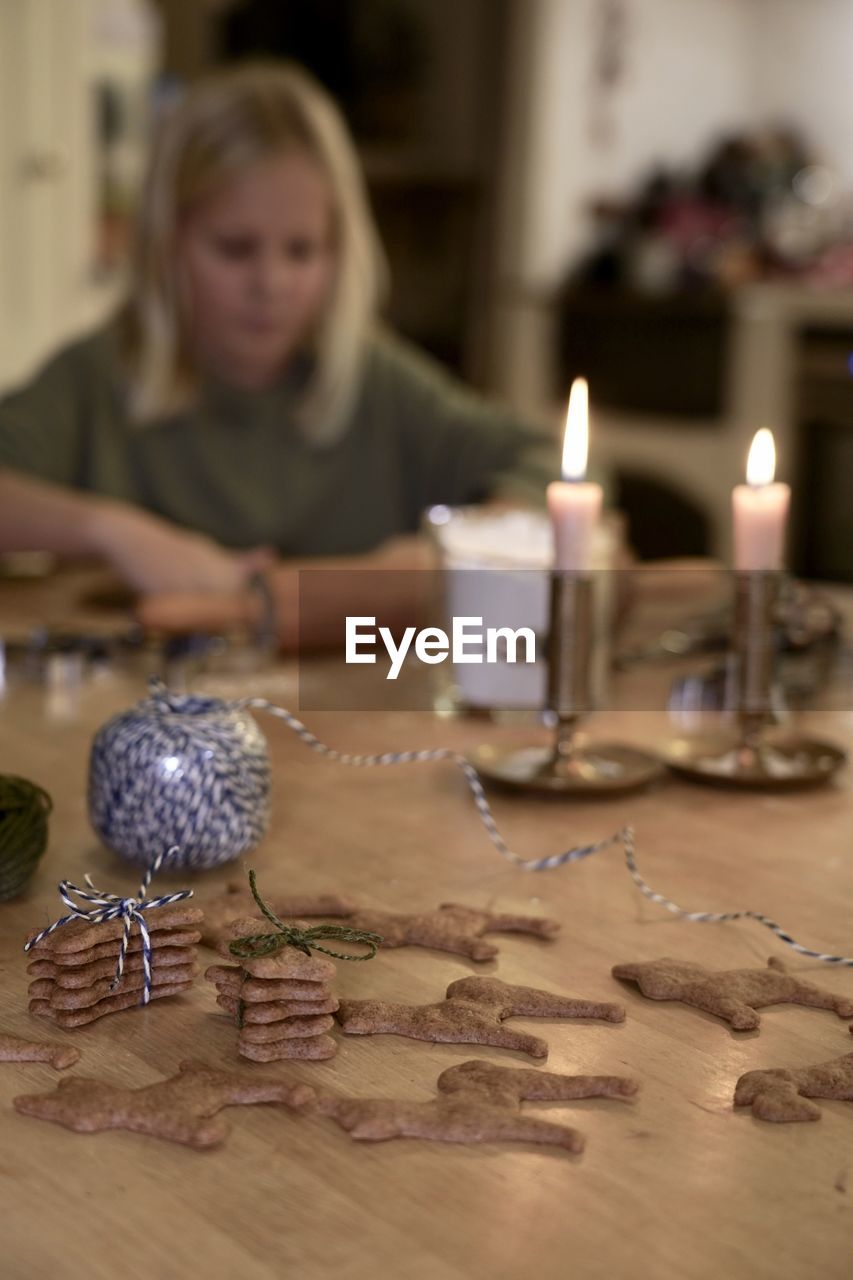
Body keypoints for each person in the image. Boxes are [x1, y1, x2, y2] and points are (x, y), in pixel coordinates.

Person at [0, 62, 555, 650]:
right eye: (236, 249)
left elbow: (552, 467)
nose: (271, 283)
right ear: (169, 245)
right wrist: (112, 532)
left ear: (341, 251)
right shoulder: (100, 376)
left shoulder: (373, 382)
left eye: (301, 251)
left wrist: (449, 550)